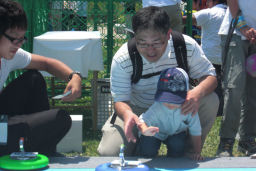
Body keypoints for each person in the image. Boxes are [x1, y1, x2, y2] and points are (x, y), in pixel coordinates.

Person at [97, 6, 219, 156]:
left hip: (178, 106)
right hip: (138, 109)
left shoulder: (184, 45)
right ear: (135, 37)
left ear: (168, 35)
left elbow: (211, 77)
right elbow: (120, 101)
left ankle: (190, 151)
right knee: (110, 153)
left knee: (210, 99)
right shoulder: (123, 58)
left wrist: (196, 93)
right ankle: (139, 148)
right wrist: (128, 114)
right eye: (142, 43)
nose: (150, 50)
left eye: (156, 43)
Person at [0, 0, 82, 156]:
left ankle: (42, 148)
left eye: (22, 39)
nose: (19, 45)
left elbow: (46, 63)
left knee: (33, 78)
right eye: (14, 38)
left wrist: (74, 76)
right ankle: (39, 149)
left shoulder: (9, 55)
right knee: (60, 119)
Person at [216, 0, 256, 157]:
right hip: (235, 34)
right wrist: (244, 27)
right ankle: (226, 142)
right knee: (234, 88)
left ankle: (248, 140)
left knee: (253, 92)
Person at [136, 67, 203, 161]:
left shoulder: (188, 108)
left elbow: (196, 132)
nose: (171, 104)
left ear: (187, 94)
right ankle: (141, 151)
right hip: (155, 133)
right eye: (167, 99)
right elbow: (142, 120)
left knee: (177, 148)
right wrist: (145, 130)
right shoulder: (158, 107)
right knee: (147, 150)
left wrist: (197, 152)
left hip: (176, 133)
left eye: (176, 100)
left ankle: (175, 157)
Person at [183, 0, 227, 116]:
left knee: (209, 87)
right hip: (225, 58)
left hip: (209, 59)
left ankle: (212, 110)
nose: (206, 4)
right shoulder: (229, 14)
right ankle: (222, 110)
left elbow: (185, 20)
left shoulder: (209, 13)